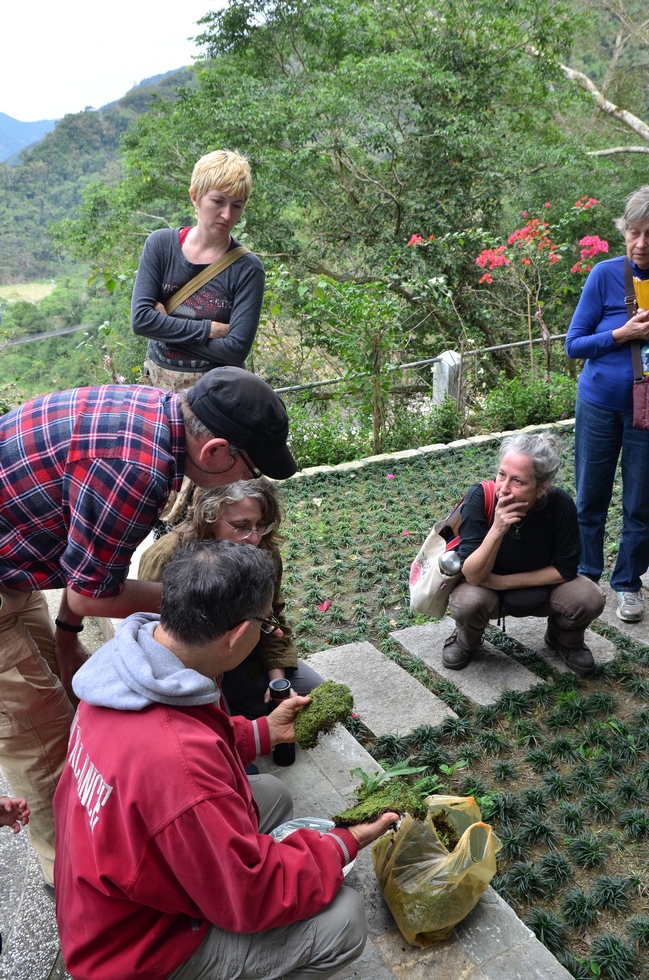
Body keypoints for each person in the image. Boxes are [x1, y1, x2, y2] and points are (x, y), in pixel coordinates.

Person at [0, 365, 296, 890]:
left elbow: (80, 583)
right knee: (41, 737)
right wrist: (200, 602)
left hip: (14, 560)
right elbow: (90, 593)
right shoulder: (137, 470)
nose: (245, 484)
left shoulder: (156, 412)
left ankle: (101, 828)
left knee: (63, 709)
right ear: (215, 452)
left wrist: (67, 637)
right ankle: (74, 880)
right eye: (246, 468)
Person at [53, 540, 397, 980]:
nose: (266, 631)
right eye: (265, 623)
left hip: (99, 897)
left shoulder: (132, 665)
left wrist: (264, 731)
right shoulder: (180, 770)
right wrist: (343, 843)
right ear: (238, 634)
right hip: (137, 950)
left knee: (270, 793)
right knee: (345, 919)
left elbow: (188, 740)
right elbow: (251, 895)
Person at [138, 478, 323, 718]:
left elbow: (272, 618)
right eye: (241, 525)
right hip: (186, 663)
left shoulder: (262, 550)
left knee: (310, 696)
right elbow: (153, 634)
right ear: (210, 518)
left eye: (261, 525)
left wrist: (277, 685)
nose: (254, 537)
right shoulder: (167, 556)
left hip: (245, 655)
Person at [442, 433, 605, 676]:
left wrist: (502, 581)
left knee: (590, 598)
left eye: (517, 481)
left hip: (543, 588)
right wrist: (497, 528)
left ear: (541, 489)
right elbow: (473, 576)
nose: (503, 489)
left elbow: (566, 569)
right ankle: (467, 640)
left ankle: (564, 638)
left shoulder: (560, 505)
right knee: (467, 602)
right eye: (501, 475)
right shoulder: (481, 497)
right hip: (485, 589)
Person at [566, 186, 649, 623]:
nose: (641, 243)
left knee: (641, 502)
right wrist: (621, 335)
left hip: (647, 412)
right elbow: (573, 345)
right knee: (590, 497)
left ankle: (629, 584)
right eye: (633, 233)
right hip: (599, 404)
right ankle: (585, 577)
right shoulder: (604, 276)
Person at [132, 149, 264, 393]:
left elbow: (235, 352)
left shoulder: (247, 269)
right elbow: (141, 320)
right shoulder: (161, 245)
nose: (227, 215)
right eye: (218, 201)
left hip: (214, 395)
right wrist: (209, 330)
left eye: (237, 205)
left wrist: (164, 326)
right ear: (195, 197)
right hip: (158, 388)